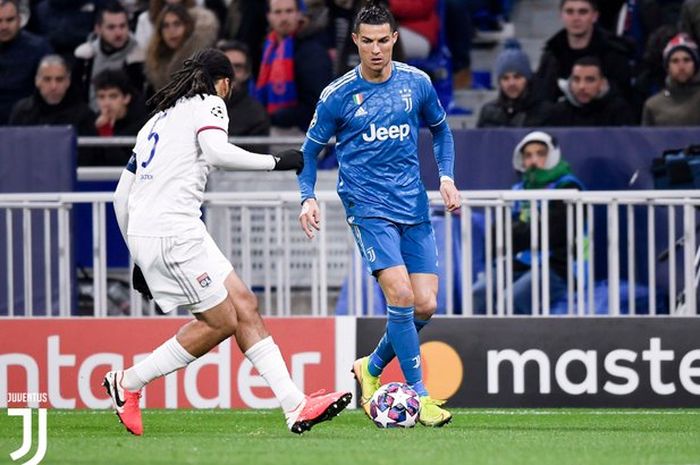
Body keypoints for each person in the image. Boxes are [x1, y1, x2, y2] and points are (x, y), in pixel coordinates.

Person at [105, 48, 351, 437]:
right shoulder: (210, 103)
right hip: (174, 232)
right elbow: (217, 152)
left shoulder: (156, 120)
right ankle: (129, 383)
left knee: (244, 305)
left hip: (168, 229)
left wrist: (137, 255)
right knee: (221, 322)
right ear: (223, 82)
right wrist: (276, 162)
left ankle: (296, 405)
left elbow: (121, 196)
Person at [297, 0, 459, 427]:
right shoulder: (337, 96)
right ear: (355, 42)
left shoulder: (417, 84)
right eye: (366, 41)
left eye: (383, 40)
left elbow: (441, 129)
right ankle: (420, 396)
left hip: (413, 205)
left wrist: (446, 177)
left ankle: (369, 368)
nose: (375, 49)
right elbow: (310, 152)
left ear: (394, 39)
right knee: (401, 296)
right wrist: (307, 196)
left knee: (425, 305)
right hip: (368, 208)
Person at [472, 131, 585, 315]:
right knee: (478, 293)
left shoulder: (568, 187)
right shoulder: (517, 190)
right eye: (528, 155)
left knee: (512, 300)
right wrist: (525, 231)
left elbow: (552, 234)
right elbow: (497, 234)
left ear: (553, 156)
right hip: (517, 264)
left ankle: (506, 344)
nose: (534, 160)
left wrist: (517, 232)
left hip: (558, 267)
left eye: (541, 154)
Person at [255, 0, 333, 132]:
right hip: (273, 127)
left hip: (305, 131)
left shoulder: (312, 50)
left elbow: (318, 102)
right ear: (269, 16)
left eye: (289, 11)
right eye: (278, 12)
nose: (284, 18)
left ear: (299, 14)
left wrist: (274, 117)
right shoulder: (267, 48)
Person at [535, 0, 634, 103]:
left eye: (583, 12)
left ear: (594, 16)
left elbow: (623, 98)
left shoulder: (614, 53)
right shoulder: (551, 54)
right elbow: (541, 97)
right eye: (569, 12)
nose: (576, 18)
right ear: (561, 15)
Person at [73, 1, 145, 112]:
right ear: (98, 29)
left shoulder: (139, 57)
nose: (118, 33)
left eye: (122, 26)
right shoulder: (85, 56)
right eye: (111, 27)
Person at [9, 54, 95, 136]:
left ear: (68, 82)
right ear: (37, 81)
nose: (53, 86)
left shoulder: (84, 116)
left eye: (59, 80)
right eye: (47, 79)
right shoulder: (21, 112)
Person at [477, 39, 553, 128]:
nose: (511, 83)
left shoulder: (544, 112)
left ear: (527, 79)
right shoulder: (488, 112)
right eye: (505, 78)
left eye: (517, 77)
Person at [144, 3, 217, 93]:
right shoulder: (156, 65)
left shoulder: (204, 61)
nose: (171, 31)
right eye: (166, 26)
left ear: (187, 26)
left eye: (177, 24)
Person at [0, 0, 52, 124]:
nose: (4, 26)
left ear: (19, 20)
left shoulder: (39, 48)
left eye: (9, 20)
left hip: (27, 122)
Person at [545, 56, 637, 126]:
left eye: (590, 80)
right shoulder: (558, 112)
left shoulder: (618, 111)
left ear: (602, 83)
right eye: (576, 79)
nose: (582, 86)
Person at [90, 69, 148, 166]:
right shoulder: (92, 123)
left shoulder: (142, 126)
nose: (106, 103)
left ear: (126, 98)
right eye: (101, 97)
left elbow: (125, 167)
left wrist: (106, 132)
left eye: (113, 96)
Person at [642, 33, 700, 126]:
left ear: (695, 64)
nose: (681, 67)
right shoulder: (653, 106)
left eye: (686, 60)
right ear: (667, 67)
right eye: (675, 61)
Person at [217, 40, 270, 137]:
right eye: (225, 66)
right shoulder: (196, 106)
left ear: (247, 73)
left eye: (238, 67)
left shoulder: (256, 114)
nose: (231, 73)